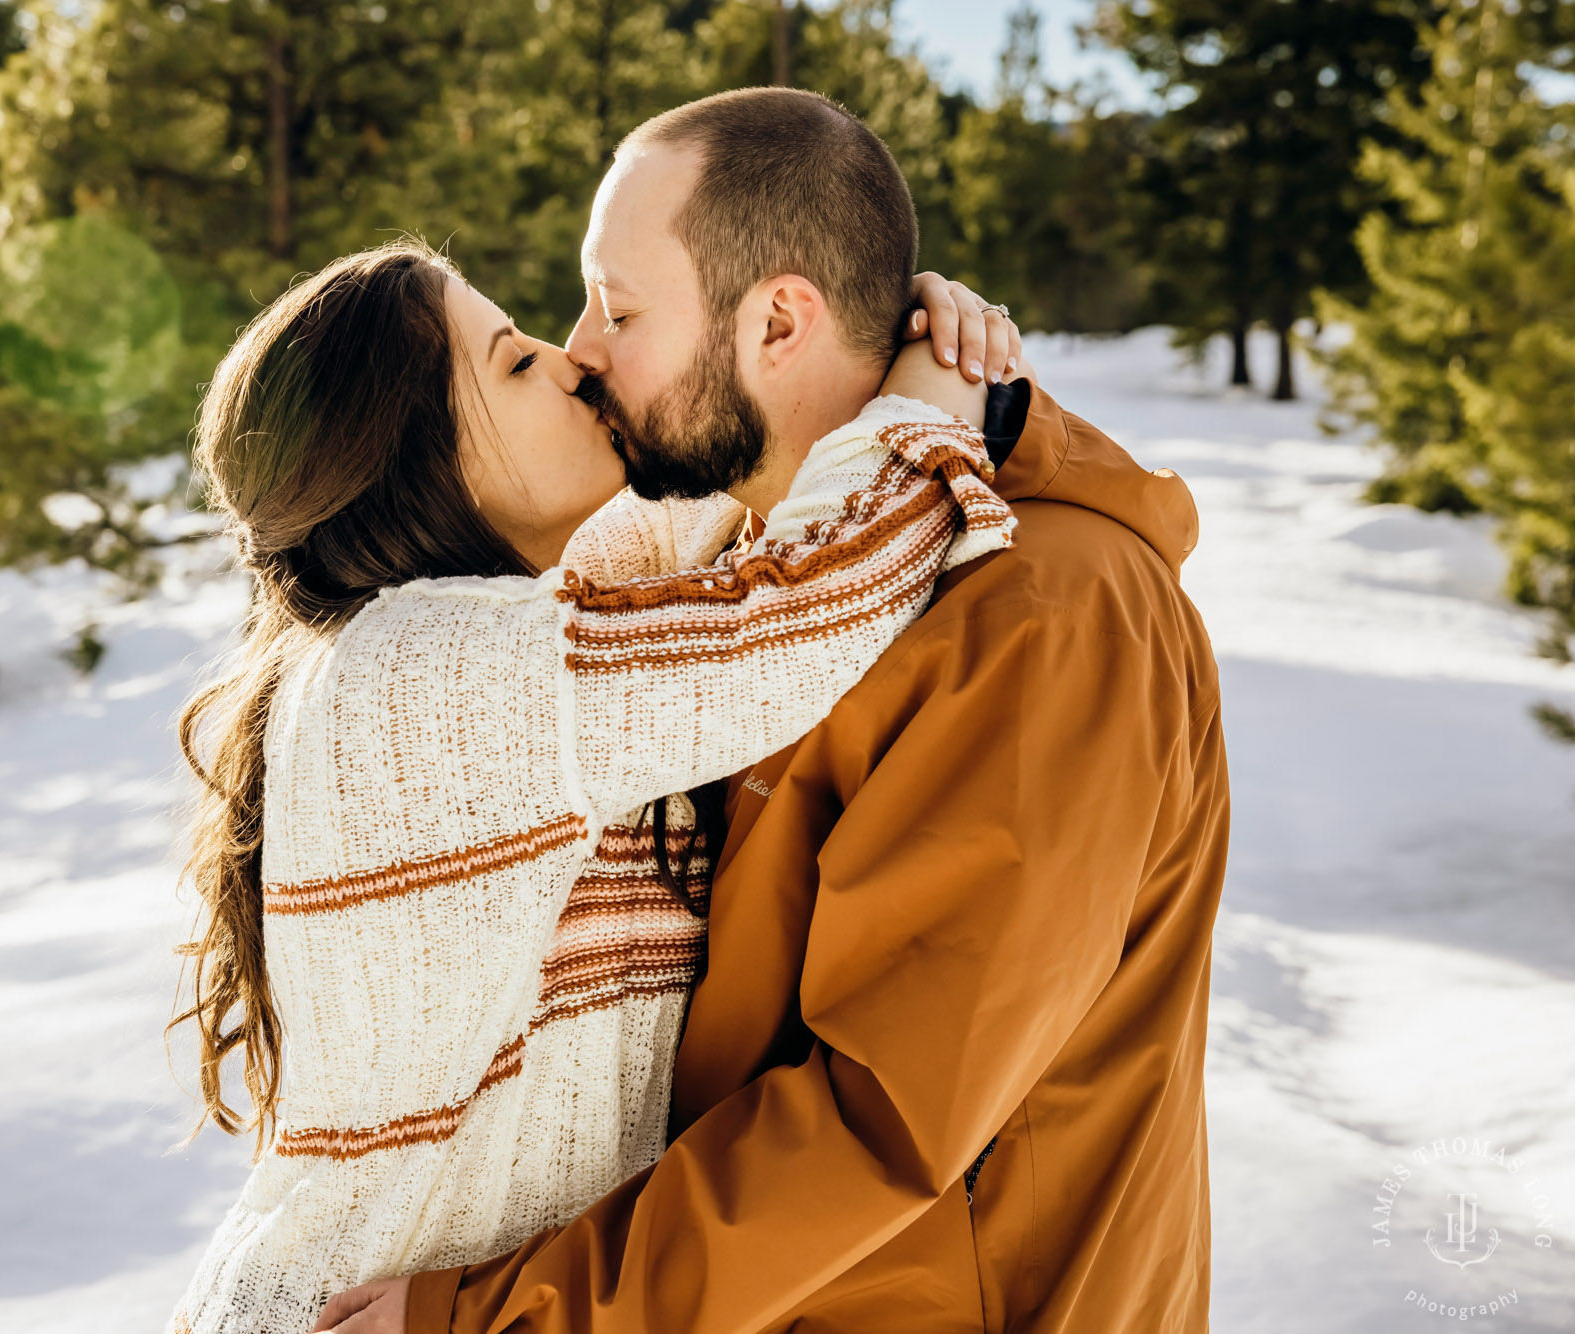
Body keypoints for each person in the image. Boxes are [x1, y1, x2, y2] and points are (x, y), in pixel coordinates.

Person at [318, 89, 1228, 1334]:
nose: (582, 349)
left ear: (779, 320)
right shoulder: (744, 569)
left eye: (619, 308)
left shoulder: (1044, 614)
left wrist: (498, 1319)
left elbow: (882, 1113)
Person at [166, 230, 1020, 1334]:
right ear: (419, 461)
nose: (569, 361)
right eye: (514, 363)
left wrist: (867, 334)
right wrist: (921, 408)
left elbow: (729, 493)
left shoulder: (501, 623)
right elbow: (795, 610)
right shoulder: (425, 671)